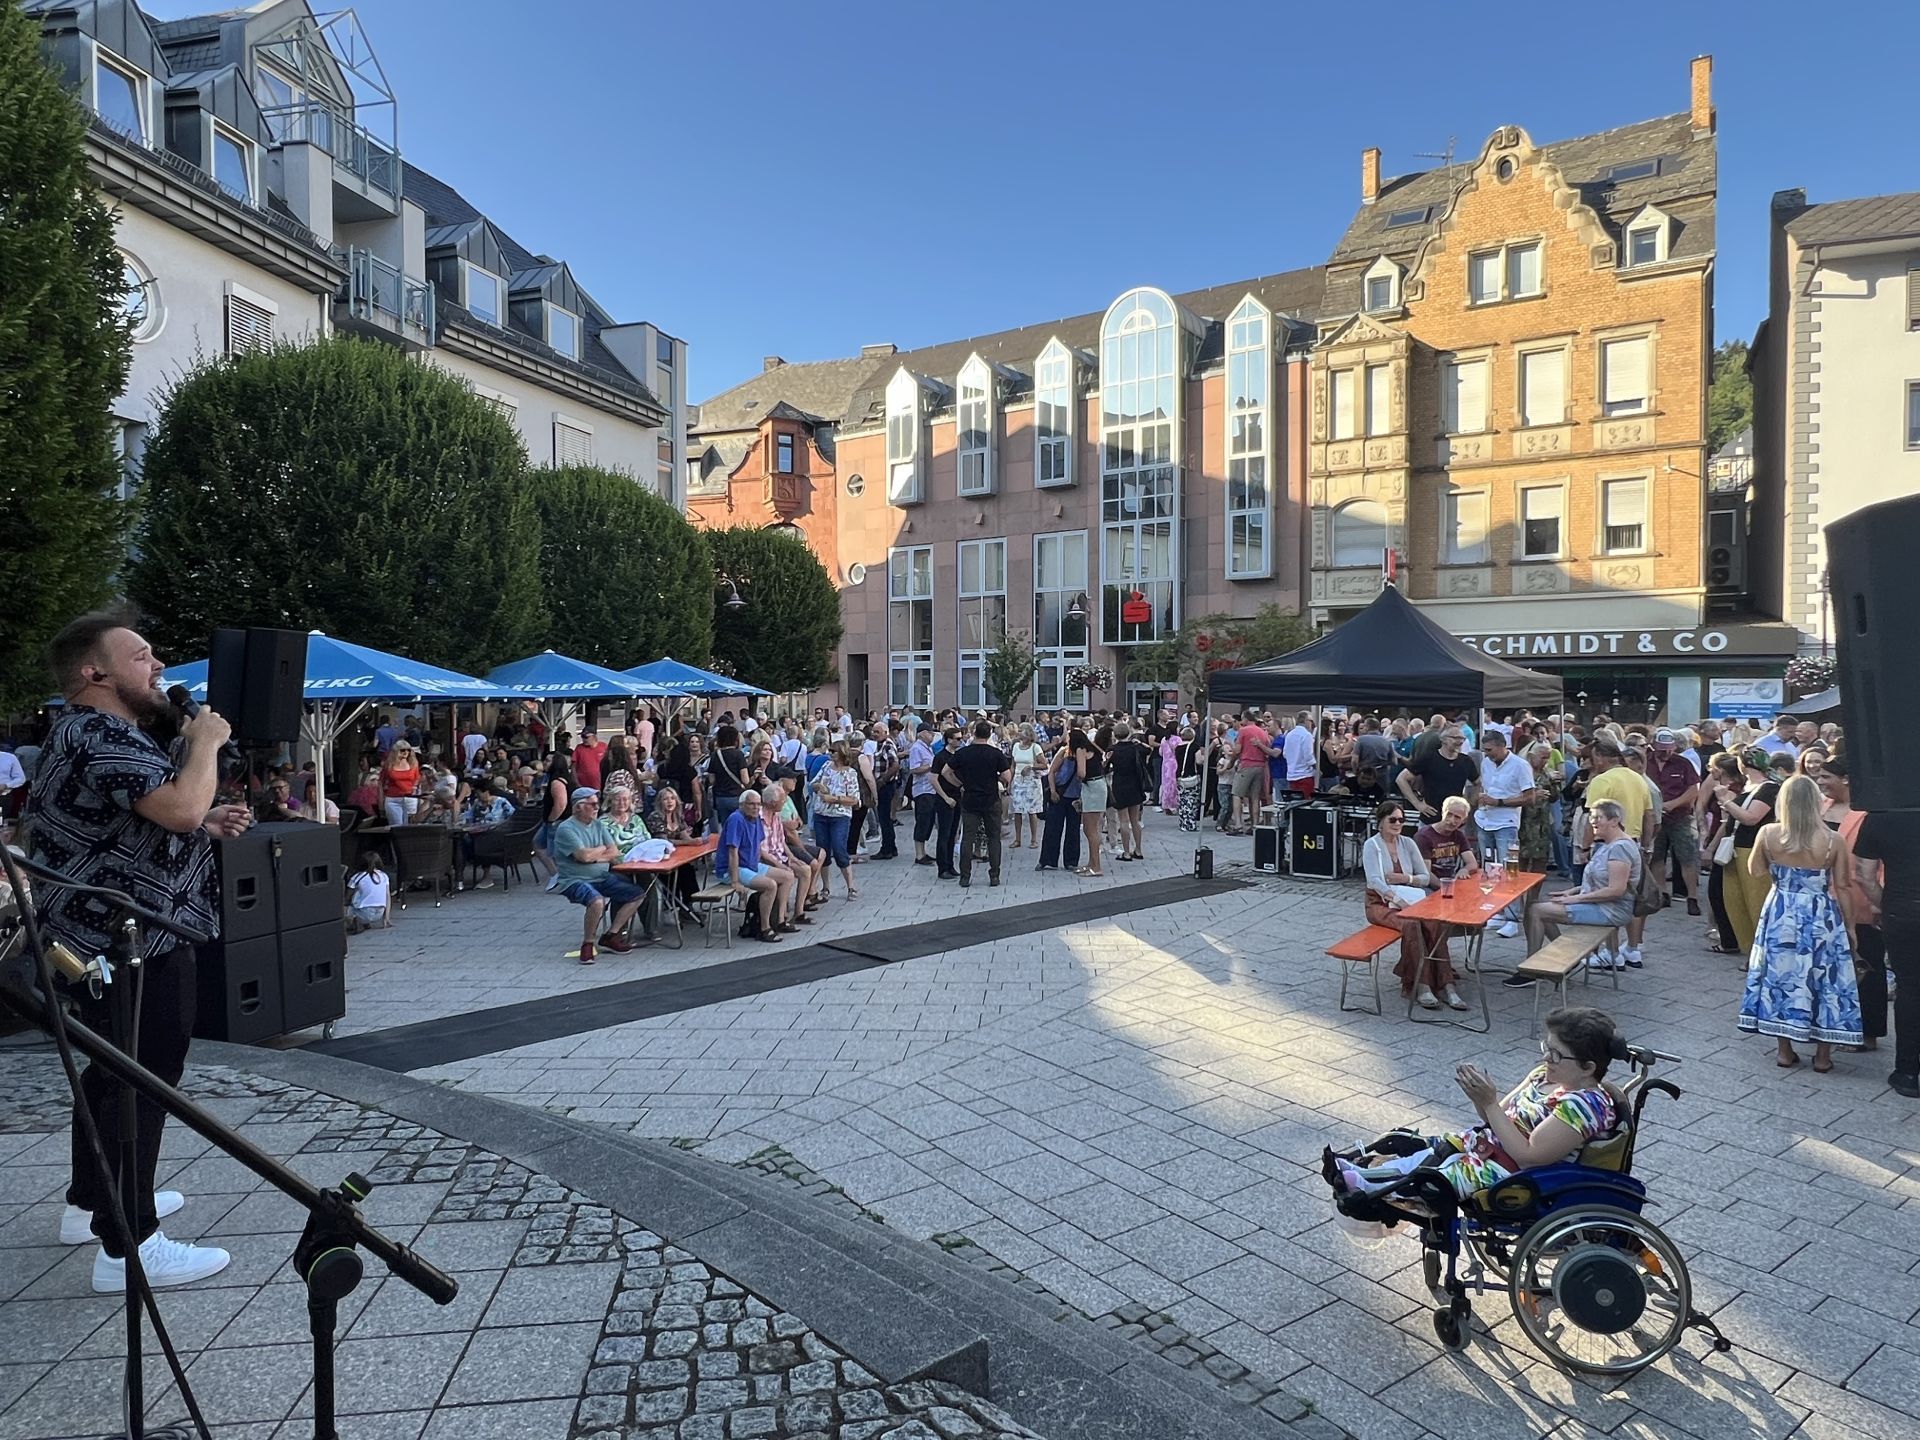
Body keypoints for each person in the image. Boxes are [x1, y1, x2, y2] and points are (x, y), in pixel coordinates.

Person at [27, 609, 251, 1289]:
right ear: (94, 673)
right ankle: (130, 1244)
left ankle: (90, 1202)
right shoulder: (99, 729)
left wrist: (202, 819)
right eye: (142, 656)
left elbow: (159, 815)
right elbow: (177, 808)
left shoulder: (85, 733)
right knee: (142, 1081)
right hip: (131, 940)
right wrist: (204, 745)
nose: (159, 669)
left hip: (103, 935)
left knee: (108, 1074)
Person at [1325, 1008, 1622, 1202]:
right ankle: (1362, 1174)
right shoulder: (1544, 1076)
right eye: (1547, 1049)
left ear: (1587, 1067)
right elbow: (1497, 1117)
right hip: (1486, 1148)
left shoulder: (1584, 1106)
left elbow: (1530, 1155)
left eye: (1556, 1055)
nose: (1546, 1059)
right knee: (1426, 1150)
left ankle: (1365, 1184)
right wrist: (1482, 1098)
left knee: (1431, 1182)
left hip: (1512, 1173)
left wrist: (1490, 1103)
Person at [1739, 774, 1863, 1071]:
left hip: (1781, 909)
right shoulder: (1833, 840)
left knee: (1781, 978)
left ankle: (1784, 1050)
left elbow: (1755, 870)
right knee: (1826, 979)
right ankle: (1823, 1056)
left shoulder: (1769, 833)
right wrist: (1851, 927)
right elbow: (1843, 885)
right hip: (1820, 912)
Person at [1850, 804, 1920, 1097]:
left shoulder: (1880, 816)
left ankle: (1907, 1072)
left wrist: (1881, 904)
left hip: (1903, 910)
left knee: (1909, 987)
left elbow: (1864, 874)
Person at [1363, 801, 1461, 1011]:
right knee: (1411, 925)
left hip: (1407, 896)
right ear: (1380, 822)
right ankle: (1421, 984)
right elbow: (1375, 881)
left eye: (1401, 819)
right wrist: (1397, 900)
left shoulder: (1407, 843)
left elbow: (1425, 877)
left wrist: (1404, 878)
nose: (1398, 823)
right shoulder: (1372, 845)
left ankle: (1446, 984)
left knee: (1436, 923)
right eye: (1393, 820)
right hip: (1380, 903)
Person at [1524, 799, 1640, 967]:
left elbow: (1616, 890)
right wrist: (1572, 891)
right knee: (1539, 907)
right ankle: (1567, 957)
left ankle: (1532, 968)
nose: (1593, 822)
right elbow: (1601, 881)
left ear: (1614, 821)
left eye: (1598, 818)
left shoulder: (1620, 848)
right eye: (1592, 817)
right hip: (1601, 904)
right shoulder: (1607, 845)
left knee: (1536, 910)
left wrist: (1575, 899)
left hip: (1611, 910)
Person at [552, 788, 649, 963]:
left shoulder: (598, 824)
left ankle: (611, 935)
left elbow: (614, 851)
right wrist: (600, 851)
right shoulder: (566, 828)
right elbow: (583, 856)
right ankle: (587, 944)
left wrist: (596, 855)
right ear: (579, 807)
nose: (597, 807)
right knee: (597, 901)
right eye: (593, 804)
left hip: (601, 875)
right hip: (574, 879)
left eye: (597, 803)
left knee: (637, 894)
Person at [1717, 750, 1779, 953]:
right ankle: (1748, 949)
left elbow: (1751, 818)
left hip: (1752, 849)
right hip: (1736, 848)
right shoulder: (1749, 787)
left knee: (1755, 901)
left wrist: (1725, 801)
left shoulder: (1768, 788)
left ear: (1743, 764)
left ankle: (1762, 952)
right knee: (1734, 901)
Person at [946, 720, 1012, 888]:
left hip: (970, 798)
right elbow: (1007, 776)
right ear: (989, 734)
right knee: (993, 838)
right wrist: (1000, 781)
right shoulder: (995, 753)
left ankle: (965, 876)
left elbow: (946, 771)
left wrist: (958, 784)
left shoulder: (963, 753)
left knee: (968, 838)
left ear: (974, 733)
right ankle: (994, 875)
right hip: (991, 799)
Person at [1647, 728, 1702, 916]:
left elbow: (1693, 790)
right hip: (1655, 816)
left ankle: (1692, 897)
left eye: (1669, 749)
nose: (1667, 752)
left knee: (1688, 857)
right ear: (1654, 746)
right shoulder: (1646, 762)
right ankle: (1662, 893)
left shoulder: (1683, 763)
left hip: (1680, 816)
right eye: (1662, 749)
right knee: (1657, 855)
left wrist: (1673, 804)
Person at [1698, 752, 1745, 955]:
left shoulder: (1728, 792)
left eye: (1713, 767)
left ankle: (1729, 939)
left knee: (1717, 891)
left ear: (1722, 771)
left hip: (1723, 843)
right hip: (1720, 838)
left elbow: (1727, 825)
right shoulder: (1729, 789)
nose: (1710, 770)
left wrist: (1710, 848)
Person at [1397, 724, 1478, 826]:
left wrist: (1469, 804)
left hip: (1455, 823)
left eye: (1462, 738)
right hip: (1430, 820)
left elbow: (1478, 782)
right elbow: (1401, 779)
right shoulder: (1429, 758)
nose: (1460, 741)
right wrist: (1417, 804)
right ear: (1443, 739)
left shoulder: (1466, 761)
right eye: (1455, 738)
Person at [809, 742, 861, 899]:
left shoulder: (850, 773)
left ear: (842, 753)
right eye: (830, 750)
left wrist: (834, 799)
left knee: (839, 848)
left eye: (834, 751)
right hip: (821, 813)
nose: (831, 754)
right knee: (822, 850)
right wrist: (819, 787)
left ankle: (851, 886)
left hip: (840, 815)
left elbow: (855, 799)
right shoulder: (826, 766)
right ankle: (825, 887)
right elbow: (813, 783)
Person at [1038, 731, 1084, 872]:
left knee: (1073, 829)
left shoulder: (1082, 754)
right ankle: (1048, 860)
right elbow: (1051, 771)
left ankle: (1071, 860)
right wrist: (1052, 791)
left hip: (1075, 796)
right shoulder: (1064, 752)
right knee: (1052, 828)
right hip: (1060, 793)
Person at [1108, 721, 1154, 863]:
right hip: (1135, 785)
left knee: (1123, 820)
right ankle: (1138, 849)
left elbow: (1106, 766)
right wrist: (1138, 742)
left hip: (1120, 785)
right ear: (1129, 733)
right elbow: (1149, 750)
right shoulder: (1135, 748)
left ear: (1115, 735)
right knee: (1135, 820)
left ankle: (1126, 852)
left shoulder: (1113, 749)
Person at [1075, 725, 1110, 878]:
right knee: (1090, 829)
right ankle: (1091, 863)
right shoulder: (1093, 748)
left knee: (1091, 830)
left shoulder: (1080, 750)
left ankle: (1096, 867)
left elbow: (1082, 772)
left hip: (1091, 787)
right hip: (1098, 785)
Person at [1229, 712, 1272, 833]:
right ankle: (1255, 825)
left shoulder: (1244, 731)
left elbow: (1237, 750)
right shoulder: (1263, 732)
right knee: (1255, 797)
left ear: (1245, 719)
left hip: (1247, 765)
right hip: (1261, 765)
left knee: (1237, 793)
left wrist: (1231, 762)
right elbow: (1267, 747)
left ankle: (1238, 824)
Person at [907, 721, 941, 865]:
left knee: (929, 821)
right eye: (930, 733)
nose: (932, 735)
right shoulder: (916, 748)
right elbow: (914, 769)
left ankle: (924, 852)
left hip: (931, 788)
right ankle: (919, 854)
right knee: (923, 820)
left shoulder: (927, 748)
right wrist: (931, 766)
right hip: (922, 790)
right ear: (922, 734)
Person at [1009, 724, 1045, 848]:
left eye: (1023, 733)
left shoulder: (1036, 748)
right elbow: (1012, 765)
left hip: (1031, 781)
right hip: (1018, 780)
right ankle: (1017, 839)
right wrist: (1010, 781)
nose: (1020, 735)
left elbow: (1044, 764)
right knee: (1017, 811)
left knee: (1032, 811)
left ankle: (1034, 839)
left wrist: (1031, 766)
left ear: (1029, 735)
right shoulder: (1016, 747)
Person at [869, 720, 901, 860]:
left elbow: (895, 765)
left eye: (877, 732)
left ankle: (886, 848)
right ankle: (891, 847)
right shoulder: (879, 744)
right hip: (885, 784)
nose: (874, 734)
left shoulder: (887, 745)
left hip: (886, 785)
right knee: (885, 817)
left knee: (884, 817)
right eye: (874, 731)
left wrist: (883, 779)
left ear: (885, 732)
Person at [346, 851, 392, 933]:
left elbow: (347, 897)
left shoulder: (357, 876)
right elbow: (387, 897)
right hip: (379, 914)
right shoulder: (384, 876)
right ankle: (364, 923)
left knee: (346, 910)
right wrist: (386, 918)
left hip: (364, 912)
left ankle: (356, 922)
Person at [379, 740, 422, 827]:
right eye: (403, 750)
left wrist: (414, 789)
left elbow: (417, 778)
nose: (406, 752)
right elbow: (381, 782)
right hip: (392, 799)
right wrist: (380, 801)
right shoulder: (389, 764)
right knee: (397, 826)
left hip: (409, 799)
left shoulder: (413, 763)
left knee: (408, 827)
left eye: (408, 750)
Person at [1281, 711, 1317, 800]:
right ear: (1306, 721)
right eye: (1311, 721)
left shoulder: (1289, 734)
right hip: (1305, 775)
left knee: (1294, 803)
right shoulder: (1307, 735)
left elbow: (1285, 753)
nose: (1312, 724)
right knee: (1305, 803)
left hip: (1291, 775)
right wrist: (1316, 767)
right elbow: (1308, 755)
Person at [1158, 725, 1181, 815]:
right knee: (1174, 784)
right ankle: (1174, 804)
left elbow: (1160, 752)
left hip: (1165, 764)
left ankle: (1165, 804)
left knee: (1166, 784)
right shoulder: (1178, 739)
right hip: (1175, 763)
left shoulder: (1164, 739)